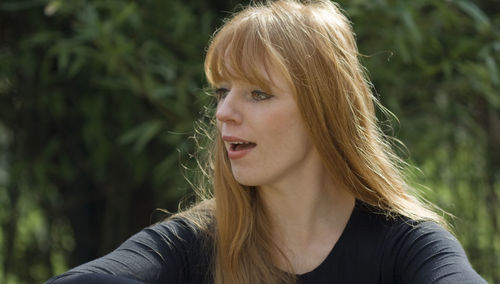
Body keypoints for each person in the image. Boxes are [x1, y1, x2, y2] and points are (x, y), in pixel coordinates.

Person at [46, 0, 487, 283]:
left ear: (324, 109)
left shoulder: (406, 245)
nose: (224, 113)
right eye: (222, 91)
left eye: (258, 94)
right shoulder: (196, 243)